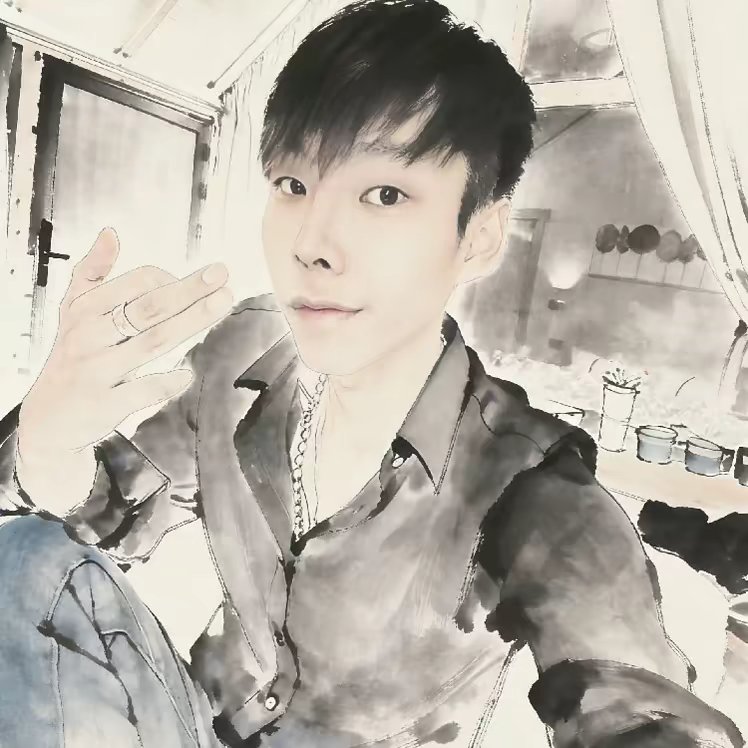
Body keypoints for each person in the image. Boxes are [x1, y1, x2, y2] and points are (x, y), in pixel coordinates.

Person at [0, 1, 743, 746]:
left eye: (384, 195)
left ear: (479, 237)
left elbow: (636, 705)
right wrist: (49, 444)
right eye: (293, 184)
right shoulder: (240, 351)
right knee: (25, 556)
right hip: (198, 721)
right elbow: (112, 518)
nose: (313, 244)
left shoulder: (527, 483)